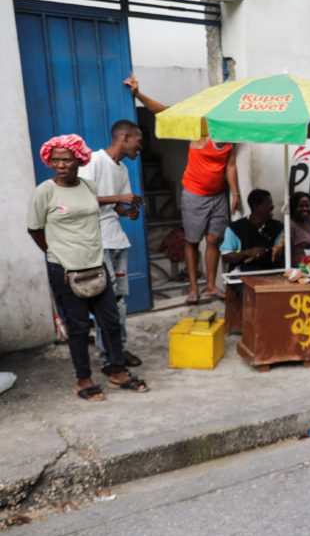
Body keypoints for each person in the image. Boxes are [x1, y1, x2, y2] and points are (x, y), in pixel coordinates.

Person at [27, 135, 149, 401]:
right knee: (79, 327)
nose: (60, 165)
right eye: (56, 160)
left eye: (66, 159)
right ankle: (83, 380)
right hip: (65, 270)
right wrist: (54, 252)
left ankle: (117, 371)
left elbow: (101, 213)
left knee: (111, 321)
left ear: (79, 160)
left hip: (96, 265)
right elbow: (34, 228)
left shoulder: (89, 187)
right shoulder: (45, 191)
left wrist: (125, 211)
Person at [124, 75, 242, 304]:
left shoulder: (230, 134)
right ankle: (192, 288)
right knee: (192, 240)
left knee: (214, 240)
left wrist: (235, 193)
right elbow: (165, 112)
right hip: (195, 194)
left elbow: (231, 165)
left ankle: (210, 286)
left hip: (218, 195)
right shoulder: (199, 127)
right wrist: (138, 94)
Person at [79, 119, 145, 375]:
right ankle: (108, 358)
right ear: (124, 138)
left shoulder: (122, 170)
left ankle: (118, 349)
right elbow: (82, 199)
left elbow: (115, 206)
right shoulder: (93, 161)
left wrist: (126, 212)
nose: (139, 150)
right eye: (137, 143)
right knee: (104, 302)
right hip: (97, 242)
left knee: (118, 302)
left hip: (116, 239)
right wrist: (119, 198)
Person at [220, 189, 284, 274]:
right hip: (242, 275)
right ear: (256, 207)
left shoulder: (278, 227)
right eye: (268, 204)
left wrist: (279, 254)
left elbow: (278, 253)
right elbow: (225, 257)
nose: (272, 207)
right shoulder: (235, 228)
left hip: (270, 273)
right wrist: (247, 253)